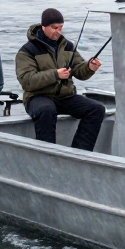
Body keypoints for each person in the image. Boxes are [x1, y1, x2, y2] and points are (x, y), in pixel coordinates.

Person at [16, 8, 106, 150]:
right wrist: (55, 74)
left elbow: (79, 70)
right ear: (43, 26)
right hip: (38, 97)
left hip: (65, 97)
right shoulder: (28, 50)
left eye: (61, 27)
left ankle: (80, 153)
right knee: (47, 109)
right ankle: (48, 155)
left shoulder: (68, 46)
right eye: (54, 27)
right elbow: (27, 80)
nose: (58, 31)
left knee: (97, 109)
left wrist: (90, 67)